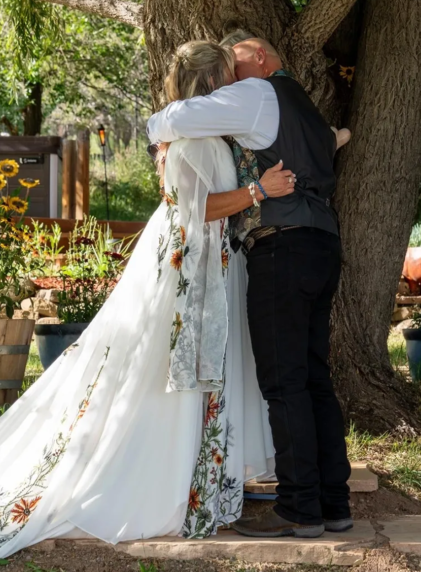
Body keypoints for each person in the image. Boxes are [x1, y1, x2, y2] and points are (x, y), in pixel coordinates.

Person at [0, 41, 293, 572]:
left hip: (203, 268)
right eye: (226, 77)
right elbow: (196, 209)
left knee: (188, 378)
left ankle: (195, 480)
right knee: (171, 377)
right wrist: (259, 191)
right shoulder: (194, 141)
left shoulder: (200, 133)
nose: (232, 88)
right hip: (188, 274)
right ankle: (170, 484)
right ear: (213, 83)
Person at [147, 35, 353, 538]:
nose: (230, 81)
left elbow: (173, 118)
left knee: (285, 385)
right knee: (313, 379)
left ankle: (299, 509)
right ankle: (333, 503)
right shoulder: (299, 104)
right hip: (323, 244)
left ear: (259, 56)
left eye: (236, 64)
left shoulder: (256, 93)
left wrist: (157, 128)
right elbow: (333, 138)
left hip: (284, 249)